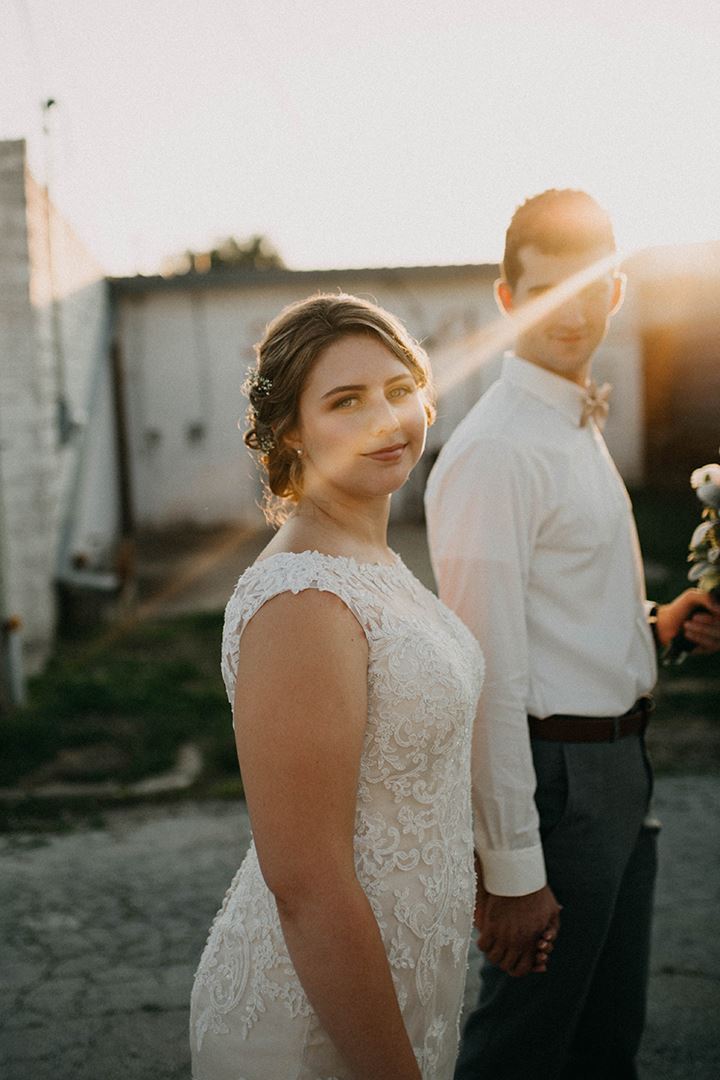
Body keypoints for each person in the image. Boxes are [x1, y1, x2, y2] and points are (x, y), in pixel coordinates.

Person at [424, 189, 720, 1079]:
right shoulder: (496, 452)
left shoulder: (570, 421)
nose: (575, 309)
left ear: (617, 292)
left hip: (621, 772)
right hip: (558, 784)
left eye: (591, 285)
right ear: (508, 297)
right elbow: (485, 675)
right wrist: (512, 870)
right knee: (521, 1051)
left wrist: (656, 626)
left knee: (603, 1046)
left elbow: (556, 614)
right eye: (549, 287)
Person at [190, 293, 493, 1080]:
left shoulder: (373, 562)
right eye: (345, 401)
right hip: (316, 1024)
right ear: (291, 431)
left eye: (399, 389)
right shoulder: (302, 601)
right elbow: (307, 885)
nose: (386, 419)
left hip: (403, 981)